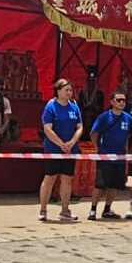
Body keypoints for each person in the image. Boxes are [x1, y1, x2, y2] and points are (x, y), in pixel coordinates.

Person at [39, 79, 83, 222]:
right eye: (66, 90)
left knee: (67, 179)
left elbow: (80, 127)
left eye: (70, 90)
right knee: (50, 178)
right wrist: (61, 144)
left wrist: (72, 142)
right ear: (58, 91)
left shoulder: (74, 106)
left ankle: (65, 210)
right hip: (53, 149)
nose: (69, 93)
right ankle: (43, 210)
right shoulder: (51, 106)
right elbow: (47, 128)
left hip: (70, 150)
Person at [88, 92, 132, 220]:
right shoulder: (104, 117)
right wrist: (97, 148)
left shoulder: (128, 118)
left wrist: (126, 152)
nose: (122, 102)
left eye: (124, 100)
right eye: (119, 100)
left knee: (115, 185)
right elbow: (94, 133)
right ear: (112, 102)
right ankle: (92, 210)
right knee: (100, 185)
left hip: (120, 157)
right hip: (105, 156)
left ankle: (107, 210)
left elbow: (128, 137)